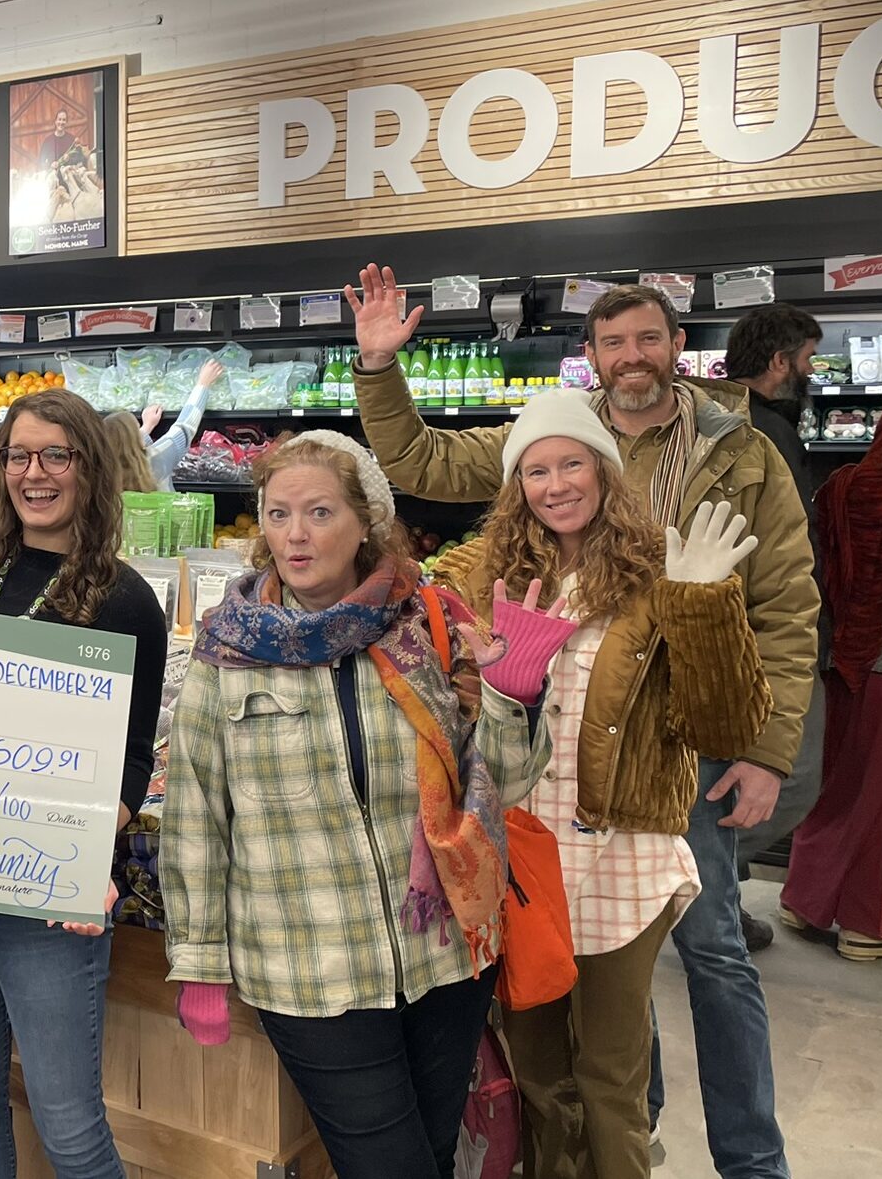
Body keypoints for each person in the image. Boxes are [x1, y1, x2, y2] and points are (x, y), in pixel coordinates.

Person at [349, 265, 812, 1179]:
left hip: (665, 758)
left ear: (677, 348)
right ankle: (622, 1138)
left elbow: (788, 609)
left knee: (713, 956)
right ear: (591, 357)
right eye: (611, 342)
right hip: (542, 809)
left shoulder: (740, 449)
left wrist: (765, 750)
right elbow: (424, 464)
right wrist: (376, 368)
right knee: (573, 1041)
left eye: (647, 339)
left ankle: (751, 1160)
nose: (630, 357)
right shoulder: (556, 445)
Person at [161, 430, 542, 1179]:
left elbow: (501, 787)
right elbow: (196, 819)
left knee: (434, 1156)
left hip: (445, 959)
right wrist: (199, 961)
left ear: (366, 520)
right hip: (309, 969)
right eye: (277, 514)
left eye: (319, 512)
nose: (295, 535)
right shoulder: (226, 652)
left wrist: (511, 695)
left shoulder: (425, 623)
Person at [432, 391, 773, 1178]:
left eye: (573, 462)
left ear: (606, 470)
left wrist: (703, 610)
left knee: (611, 1080)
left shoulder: (665, 568)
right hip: (523, 852)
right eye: (536, 469)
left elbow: (725, 727)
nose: (556, 485)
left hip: (623, 851)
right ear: (517, 486)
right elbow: (451, 705)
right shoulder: (488, 573)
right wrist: (492, 686)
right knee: (543, 1077)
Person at [0, 388, 167, 1179]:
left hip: (40, 896)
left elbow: (132, 764)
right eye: (18, 455)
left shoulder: (123, 600)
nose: (33, 473)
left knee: (68, 1124)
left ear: (90, 468)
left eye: (56, 456)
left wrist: (78, 853)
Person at [782, 393, 882, 960]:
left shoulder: (843, 486)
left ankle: (804, 900)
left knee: (839, 782)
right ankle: (873, 924)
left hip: (844, 655)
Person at [725, 302, 827, 950]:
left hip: (754, 631)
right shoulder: (762, 433)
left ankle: (710, 888)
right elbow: (782, 558)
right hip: (767, 637)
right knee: (797, 778)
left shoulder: (746, 425)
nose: (812, 371)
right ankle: (703, 878)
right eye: (809, 357)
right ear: (779, 360)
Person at [136, 358, 226, 490]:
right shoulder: (153, 460)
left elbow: (124, 445)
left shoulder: (106, 471)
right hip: (163, 511)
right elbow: (184, 427)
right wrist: (203, 384)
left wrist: (146, 427)